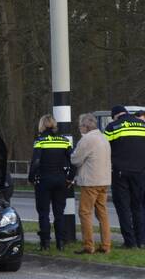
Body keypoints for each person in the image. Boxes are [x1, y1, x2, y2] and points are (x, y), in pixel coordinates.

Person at [28, 114, 73, 251]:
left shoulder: (40, 141)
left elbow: (35, 162)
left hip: (44, 180)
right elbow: (73, 161)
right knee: (59, 213)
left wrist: (31, 178)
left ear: (42, 125)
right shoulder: (64, 141)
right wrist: (70, 177)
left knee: (44, 213)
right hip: (60, 180)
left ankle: (45, 243)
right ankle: (60, 243)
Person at [70, 113, 112, 254]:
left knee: (85, 213)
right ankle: (106, 245)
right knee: (102, 214)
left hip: (90, 181)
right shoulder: (103, 137)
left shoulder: (87, 139)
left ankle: (88, 246)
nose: (79, 129)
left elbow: (75, 160)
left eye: (80, 126)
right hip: (104, 180)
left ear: (85, 126)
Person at [104, 106, 145, 248]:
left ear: (115, 116)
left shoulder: (113, 126)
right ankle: (141, 240)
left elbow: (104, 148)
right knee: (138, 206)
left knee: (123, 208)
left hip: (120, 172)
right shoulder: (142, 125)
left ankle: (130, 242)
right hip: (140, 172)